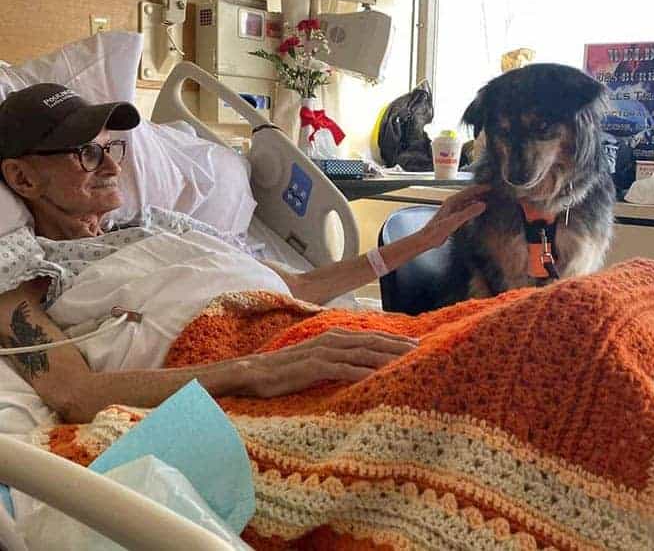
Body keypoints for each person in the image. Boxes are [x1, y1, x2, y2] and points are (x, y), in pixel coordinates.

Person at [0, 83, 488, 424]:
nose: (110, 164)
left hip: (302, 332)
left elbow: (296, 287)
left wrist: (426, 238)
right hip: (254, 367)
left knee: (531, 328)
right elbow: (78, 395)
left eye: (110, 148)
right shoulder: (24, 271)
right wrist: (258, 372)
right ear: (22, 178)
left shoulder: (160, 223)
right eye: (85, 153)